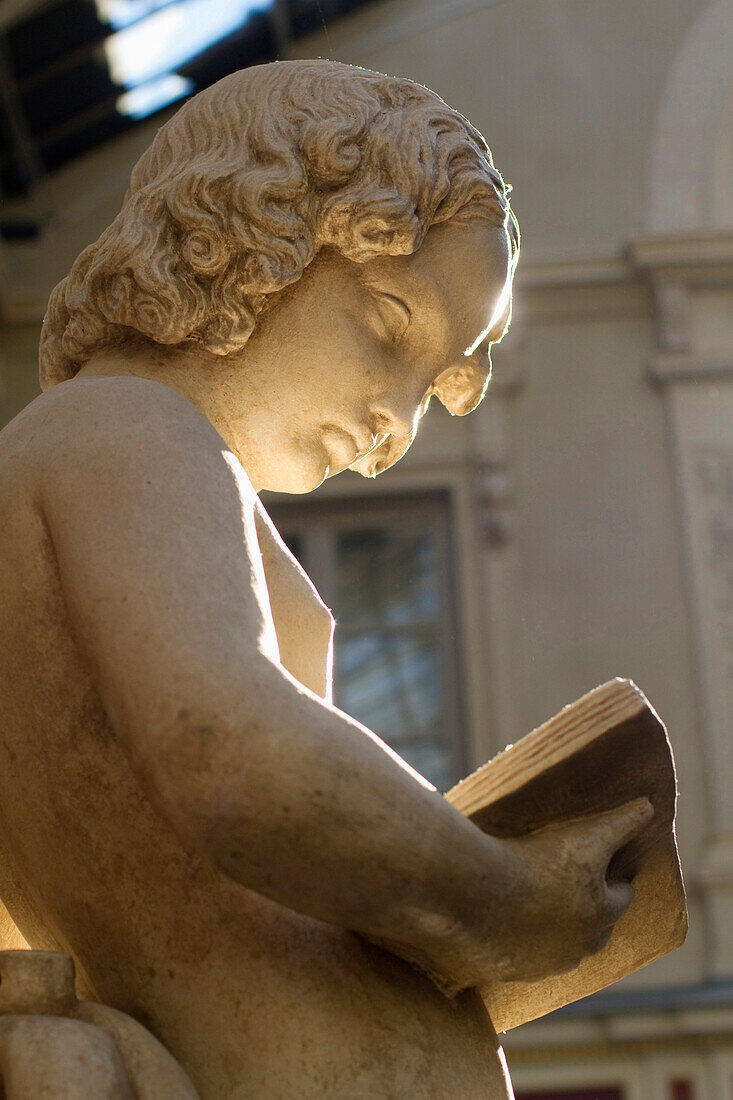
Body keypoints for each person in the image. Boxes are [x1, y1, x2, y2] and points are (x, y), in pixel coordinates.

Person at [0, 61, 651, 1099]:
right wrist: (505, 900)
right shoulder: (130, 430)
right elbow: (232, 754)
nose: (400, 418)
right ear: (251, 237)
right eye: (390, 323)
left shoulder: (127, 461)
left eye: (433, 382)